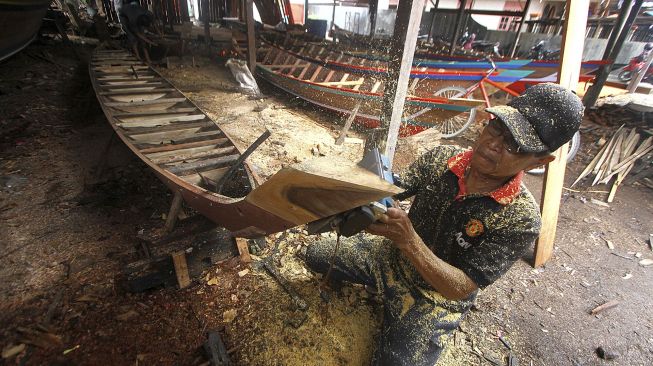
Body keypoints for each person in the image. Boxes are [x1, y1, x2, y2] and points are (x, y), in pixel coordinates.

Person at [304, 83, 583, 366]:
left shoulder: (520, 218)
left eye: (513, 145)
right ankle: (375, 292)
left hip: (434, 298)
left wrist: (409, 241)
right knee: (314, 255)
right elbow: (393, 189)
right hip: (391, 260)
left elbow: (460, 287)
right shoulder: (443, 160)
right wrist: (354, 191)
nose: (493, 144)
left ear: (541, 160)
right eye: (496, 127)